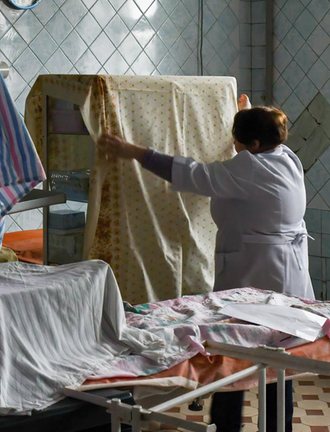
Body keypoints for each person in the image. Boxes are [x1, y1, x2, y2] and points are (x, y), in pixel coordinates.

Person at [97, 94, 313, 432]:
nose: (233, 144)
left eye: (238, 139)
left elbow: (192, 173)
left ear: (253, 144)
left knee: (237, 352)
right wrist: (246, 112)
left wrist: (131, 150)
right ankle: (272, 426)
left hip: (258, 273)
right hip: (283, 270)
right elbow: (253, 148)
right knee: (274, 358)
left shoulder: (249, 167)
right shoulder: (284, 156)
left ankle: (228, 426)